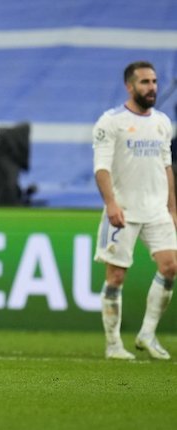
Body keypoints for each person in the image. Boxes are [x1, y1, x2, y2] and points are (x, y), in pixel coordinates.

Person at [92, 61, 177, 360]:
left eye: (154, 81)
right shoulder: (110, 121)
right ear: (130, 86)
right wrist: (111, 204)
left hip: (156, 210)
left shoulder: (163, 122)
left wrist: (172, 210)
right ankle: (114, 344)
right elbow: (101, 168)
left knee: (170, 267)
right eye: (144, 82)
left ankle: (147, 334)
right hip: (123, 210)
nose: (151, 87)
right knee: (115, 277)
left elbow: (166, 167)